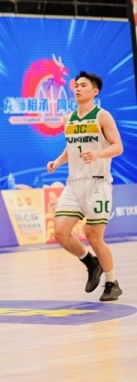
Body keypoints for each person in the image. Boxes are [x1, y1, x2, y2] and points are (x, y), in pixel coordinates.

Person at [47, 71, 124, 301]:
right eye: (77, 85)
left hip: (98, 183)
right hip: (74, 184)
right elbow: (71, 147)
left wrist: (98, 153)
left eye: (83, 85)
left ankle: (112, 282)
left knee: (93, 235)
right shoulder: (68, 118)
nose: (78, 89)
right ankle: (91, 263)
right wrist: (58, 161)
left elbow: (118, 146)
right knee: (60, 232)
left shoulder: (102, 116)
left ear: (95, 91)